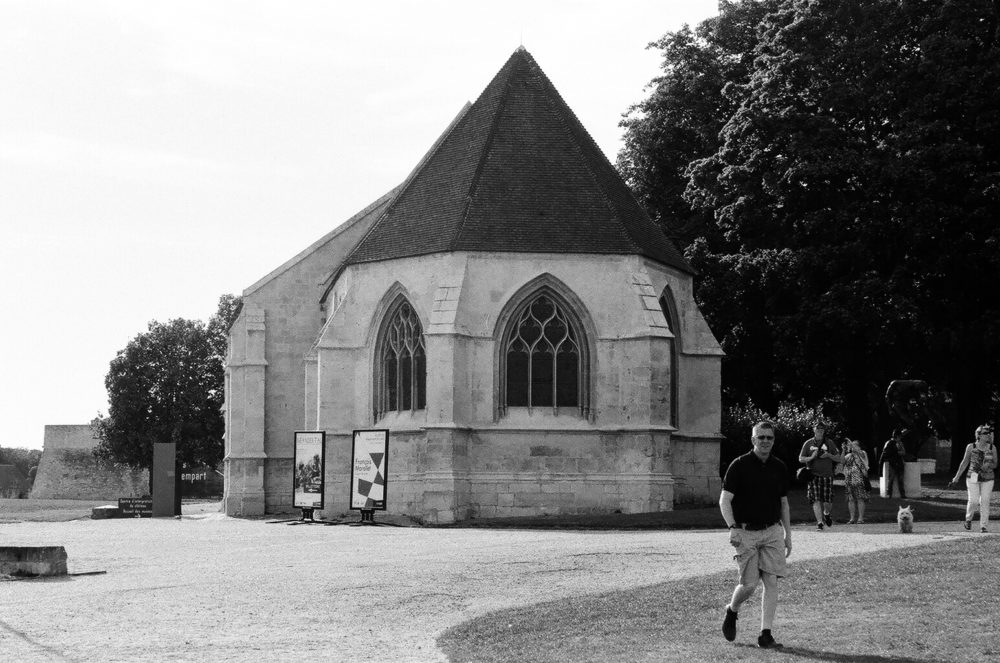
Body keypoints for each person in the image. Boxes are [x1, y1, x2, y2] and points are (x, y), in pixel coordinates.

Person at [719, 420, 792, 649]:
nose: (765, 441)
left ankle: (765, 634)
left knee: (771, 581)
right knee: (749, 585)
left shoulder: (779, 467)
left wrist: (788, 535)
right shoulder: (739, 465)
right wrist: (733, 527)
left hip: (772, 531)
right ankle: (732, 610)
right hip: (745, 532)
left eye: (769, 437)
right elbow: (725, 500)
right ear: (753, 440)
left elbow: (784, 503)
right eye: (761, 437)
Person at [949, 424, 996, 532]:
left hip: (988, 478)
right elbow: (964, 462)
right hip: (972, 477)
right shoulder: (971, 447)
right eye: (985, 433)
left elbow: (996, 464)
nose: (988, 435)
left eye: (988, 433)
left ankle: (983, 526)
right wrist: (956, 477)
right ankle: (968, 519)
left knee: (985, 501)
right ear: (978, 435)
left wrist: (989, 465)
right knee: (974, 500)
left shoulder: (992, 447)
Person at [798, 421, 843, 530]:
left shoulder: (829, 442)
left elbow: (839, 458)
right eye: (818, 429)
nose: (820, 431)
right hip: (813, 476)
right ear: (814, 430)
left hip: (827, 475)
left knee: (828, 501)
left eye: (822, 429)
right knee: (816, 499)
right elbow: (800, 458)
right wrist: (811, 457)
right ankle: (820, 523)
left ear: (824, 431)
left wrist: (828, 455)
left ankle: (826, 513)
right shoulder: (808, 443)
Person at [841, 439, 869, 524]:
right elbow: (842, 461)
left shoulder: (862, 453)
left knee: (860, 498)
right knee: (851, 499)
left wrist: (851, 445)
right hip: (849, 480)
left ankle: (860, 518)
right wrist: (843, 450)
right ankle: (852, 518)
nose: (852, 446)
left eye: (855, 445)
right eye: (851, 445)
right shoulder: (848, 455)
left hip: (859, 479)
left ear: (859, 447)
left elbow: (860, 453)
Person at [881, 428, 907, 499]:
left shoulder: (900, 443)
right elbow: (887, 453)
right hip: (892, 463)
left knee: (900, 480)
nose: (900, 438)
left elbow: (903, 452)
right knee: (891, 479)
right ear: (897, 436)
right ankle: (889, 494)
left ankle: (903, 494)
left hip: (899, 463)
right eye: (899, 436)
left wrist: (896, 452)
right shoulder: (889, 443)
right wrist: (896, 452)